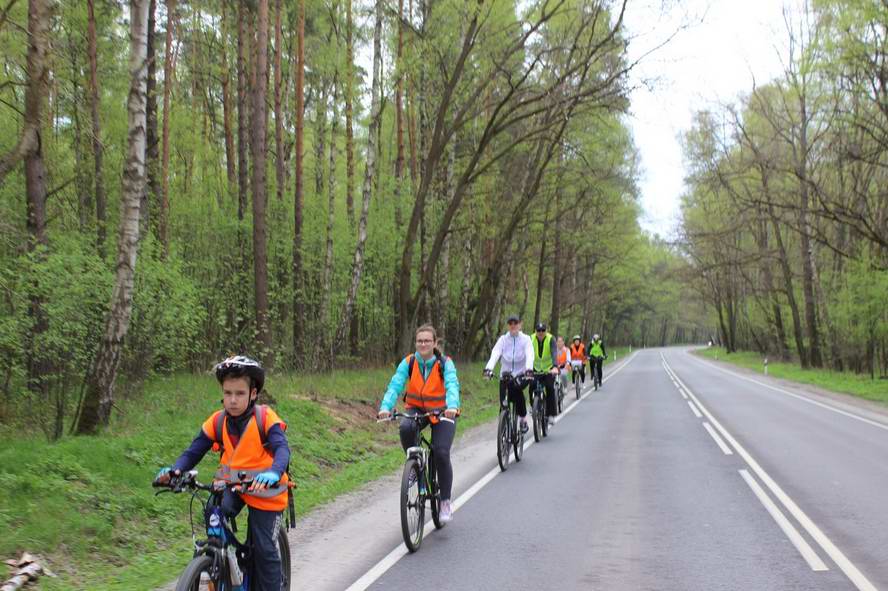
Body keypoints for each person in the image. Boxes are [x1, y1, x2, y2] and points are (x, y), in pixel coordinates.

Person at [155, 356, 290, 591]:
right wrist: (176, 471)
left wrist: (274, 472)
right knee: (214, 513)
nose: (233, 400)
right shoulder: (217, 421)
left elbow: (282, 449)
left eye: (239, 393)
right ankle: (225, 565)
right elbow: (193, 451)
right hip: (232, 487)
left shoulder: (265, 418)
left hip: (265, 491)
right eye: (228, 393)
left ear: (253, 393)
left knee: (265, 549)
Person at [378, 324, 460, 523]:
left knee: (441, 452)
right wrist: (385, 407)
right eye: (420, 341)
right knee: (406, 427)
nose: (423, 344)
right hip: (417, 409)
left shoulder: (444, 363)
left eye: (427, 341)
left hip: (442, 411)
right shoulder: (409, 362)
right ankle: (415, 467)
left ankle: (445, 502)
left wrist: (452, 406)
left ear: (435, 343)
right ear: (416, 342)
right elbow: (395, 385)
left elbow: (451, 384)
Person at [484, 314, 534, 434]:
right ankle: (504, 425)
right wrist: (488, 368)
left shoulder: (526, 339)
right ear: (508, 326)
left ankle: (522, 419)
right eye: (510, 324)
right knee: (503, 403)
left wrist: (529, 369)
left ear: (520, 324)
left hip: (522, 373)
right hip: (505, 374)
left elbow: (529, 354)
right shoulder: (503, 339)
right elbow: (495, 353)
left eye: (515, 323)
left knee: (517, 390)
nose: (513, 326)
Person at [531, 322, 560, 423]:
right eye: (538, 330)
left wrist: (555, 367)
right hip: (535, 368)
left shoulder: (551, 339)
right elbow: (527, 353)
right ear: (535, 331)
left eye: (543, 330)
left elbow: (554, 353)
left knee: (549, 388)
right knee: (532, 385)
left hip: (549, 369)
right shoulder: (531, 339)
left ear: (546, 331)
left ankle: (551, 414)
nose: (541, 332)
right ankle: (534, 407)